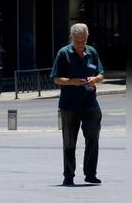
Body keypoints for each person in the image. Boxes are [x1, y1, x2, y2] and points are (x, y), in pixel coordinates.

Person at [50, 23, 104, 186]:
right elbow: (56, 78)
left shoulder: (92, 52)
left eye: (83, 41)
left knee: (93, 137)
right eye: (77, 41)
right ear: (71, 38)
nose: (81, 44)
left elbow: (101, 74)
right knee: (69, 142)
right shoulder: (63, 54)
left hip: (90, 102)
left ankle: (90, 173)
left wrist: (95, 79)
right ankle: (69, 174)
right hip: (69, 104)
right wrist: (72, 81)